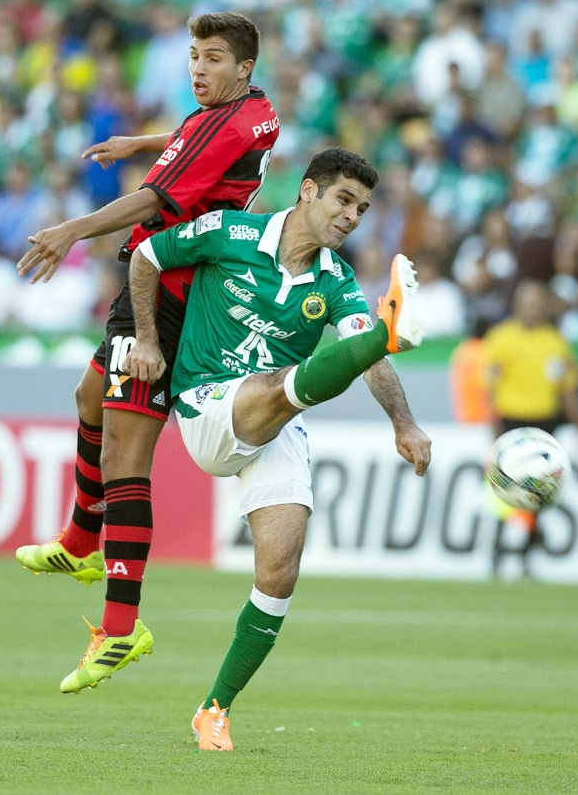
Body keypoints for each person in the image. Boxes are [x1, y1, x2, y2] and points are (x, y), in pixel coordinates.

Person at [122, 148, 431, 749]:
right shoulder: (233, 233)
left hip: (276, 420)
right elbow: (147, 256)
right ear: (309, 191)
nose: (352, 216)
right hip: (208, 404)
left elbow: (364, 365)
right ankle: (384, 335)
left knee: (280, 574)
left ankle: (214, 708)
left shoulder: (334, 280)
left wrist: (405, 423)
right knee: (284, 384)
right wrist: (146, 340)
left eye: (363, 209)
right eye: (344, 200)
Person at [14, 12, 280, 674]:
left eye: (214, 58)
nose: (198, 68)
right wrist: (145, 139)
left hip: (169, 290)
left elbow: (154, 199)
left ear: (244, 67)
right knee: (89, 397)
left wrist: (71, 229)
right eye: (194, 56)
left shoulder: (222, 122)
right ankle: (80, 541)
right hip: (157, 279)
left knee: (126, 450)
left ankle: (120, 626)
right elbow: (202, 140)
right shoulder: (255, 112)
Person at [483, 278, 578, 576]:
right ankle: (498, 548)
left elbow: (567, 389)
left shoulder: (554, 342)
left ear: (545, 307)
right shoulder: (501, 338)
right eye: (527, 303)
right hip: (512, 425)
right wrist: (494, 428)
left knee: (539, 491)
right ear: (517, 305)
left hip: (544, 427)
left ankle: (528, 552)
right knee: (504, 490)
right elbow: (490, 387)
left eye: (538, 303)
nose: (532, 309)